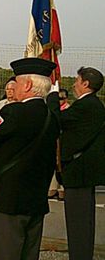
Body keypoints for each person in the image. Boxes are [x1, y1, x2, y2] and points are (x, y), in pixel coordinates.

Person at [0, 57, 58, 260]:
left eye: (16, 81)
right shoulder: (51, 116)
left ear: (28, 84)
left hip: (9, 203)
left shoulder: (14, 112)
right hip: (35, 203)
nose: (12, 86)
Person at [49, 67, 105, 260]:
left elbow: (58, 120)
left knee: (78, 223)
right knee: (82, 222)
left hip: (78, 171)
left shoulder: (87, 105)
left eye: (77, 80)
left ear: (86, 84)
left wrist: (52, 97)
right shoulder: (91, 105)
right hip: (82, 172)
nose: (74, 83)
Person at [47, 88, 69, 200]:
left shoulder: (67, 110)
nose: (59, 101)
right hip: (53, 140)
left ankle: (62, 189)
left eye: (61, 99)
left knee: (60, 163)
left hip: (63, 140)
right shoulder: (51, 109)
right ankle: (52, 188)